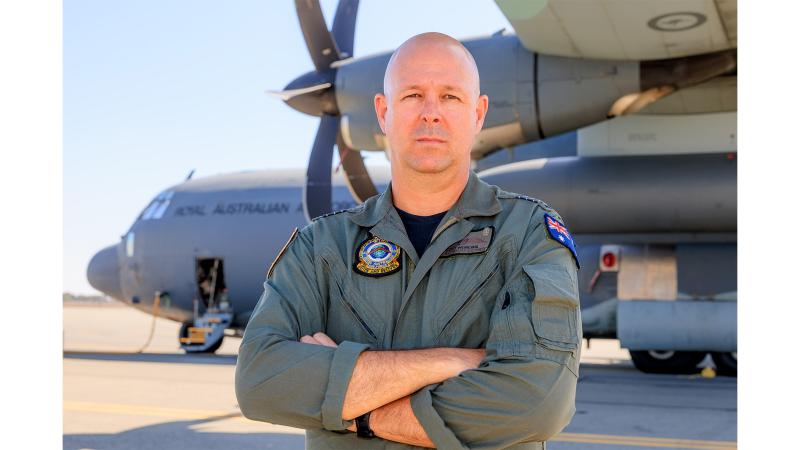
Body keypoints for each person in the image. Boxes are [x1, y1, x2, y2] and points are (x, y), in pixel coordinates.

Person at [235, 32, 581, 450]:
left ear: (478, 114)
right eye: (413, 95)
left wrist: (356, 411)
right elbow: (260, 380)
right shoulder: (321, 247)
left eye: (450, 96)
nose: (431, 113)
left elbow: (537, 402)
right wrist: (450, 361)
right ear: (383, 112)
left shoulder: (528, 232)